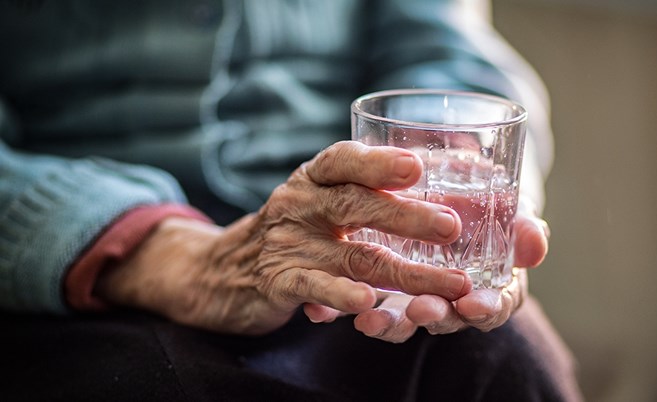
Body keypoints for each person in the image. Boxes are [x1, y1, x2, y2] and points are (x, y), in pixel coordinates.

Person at [0, 0, 581, 401]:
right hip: (81, 259)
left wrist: (450, 178)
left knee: (500, 357)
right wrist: (155, 252)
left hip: (337, 234)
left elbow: (447, 50)